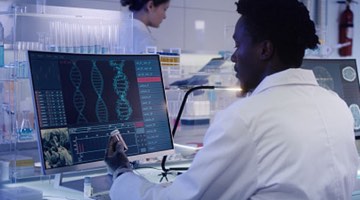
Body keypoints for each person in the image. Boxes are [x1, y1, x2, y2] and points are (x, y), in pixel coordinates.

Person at [105, 0, 360, 199]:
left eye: (239, 45)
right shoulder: (336, 106)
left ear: (265, 49)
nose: (234, 57)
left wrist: (122, 173)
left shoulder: (245, 119)